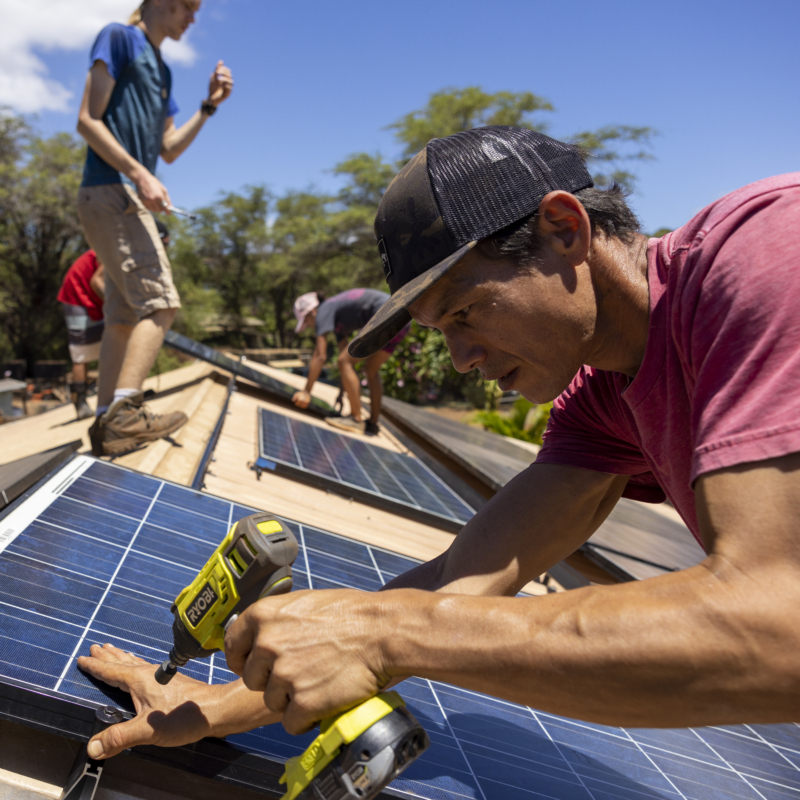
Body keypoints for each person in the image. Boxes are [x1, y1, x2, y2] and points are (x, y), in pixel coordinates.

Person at [77, 128, 800, 760]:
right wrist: (211, 709)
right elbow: (459, 582)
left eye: (466, 312)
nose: (460, 359)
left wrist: (388, 634)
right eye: (439, 330)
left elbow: (773, 623)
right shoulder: (601, 401)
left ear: (564, 229)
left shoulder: (768, 250)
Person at [76, 0, 233, 455]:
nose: (193, 18)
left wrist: (208, 106)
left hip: (119, 195)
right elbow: (87, 121)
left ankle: (107, 422)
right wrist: (139, 175)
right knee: (161, 303)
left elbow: (168, 148)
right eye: (188, 7)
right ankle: (127, 412)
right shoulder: (119, 38)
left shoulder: (163, 71)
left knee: (124, 316)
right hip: (111, 190)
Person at [292, 289, 409, 435]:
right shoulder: (337, 323)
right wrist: (342, 393)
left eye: (306, 321)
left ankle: (355, 418)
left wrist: (306, 392)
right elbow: (347, 364)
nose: (309, 326)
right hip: (403, 318)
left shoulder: (323, 310)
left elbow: (320, 356)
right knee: (370, 370)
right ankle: (372, 423)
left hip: (386, 312)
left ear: (312, 311)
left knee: (344, 361)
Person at [57, 249, 106, 419]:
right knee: (81, 351)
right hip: (76, 294)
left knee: (109, 345)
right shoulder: (113, 248)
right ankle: (80, 402)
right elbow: (97, 282)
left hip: (94, 296)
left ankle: (115, 395)